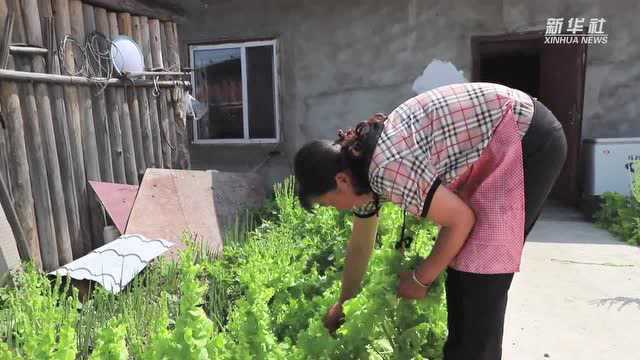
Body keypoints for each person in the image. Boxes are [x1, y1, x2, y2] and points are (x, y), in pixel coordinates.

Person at [293, 82, 568, 359]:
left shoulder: (384, 166)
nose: (337, 209)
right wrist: (343, 304)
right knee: (462, 273)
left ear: (340, 181)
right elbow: (360, 246)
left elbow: (461, 220)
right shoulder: (359, 164)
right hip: (501, 135)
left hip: (525, 136)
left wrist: (420, 280)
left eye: (329, 203)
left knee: (479, 279)